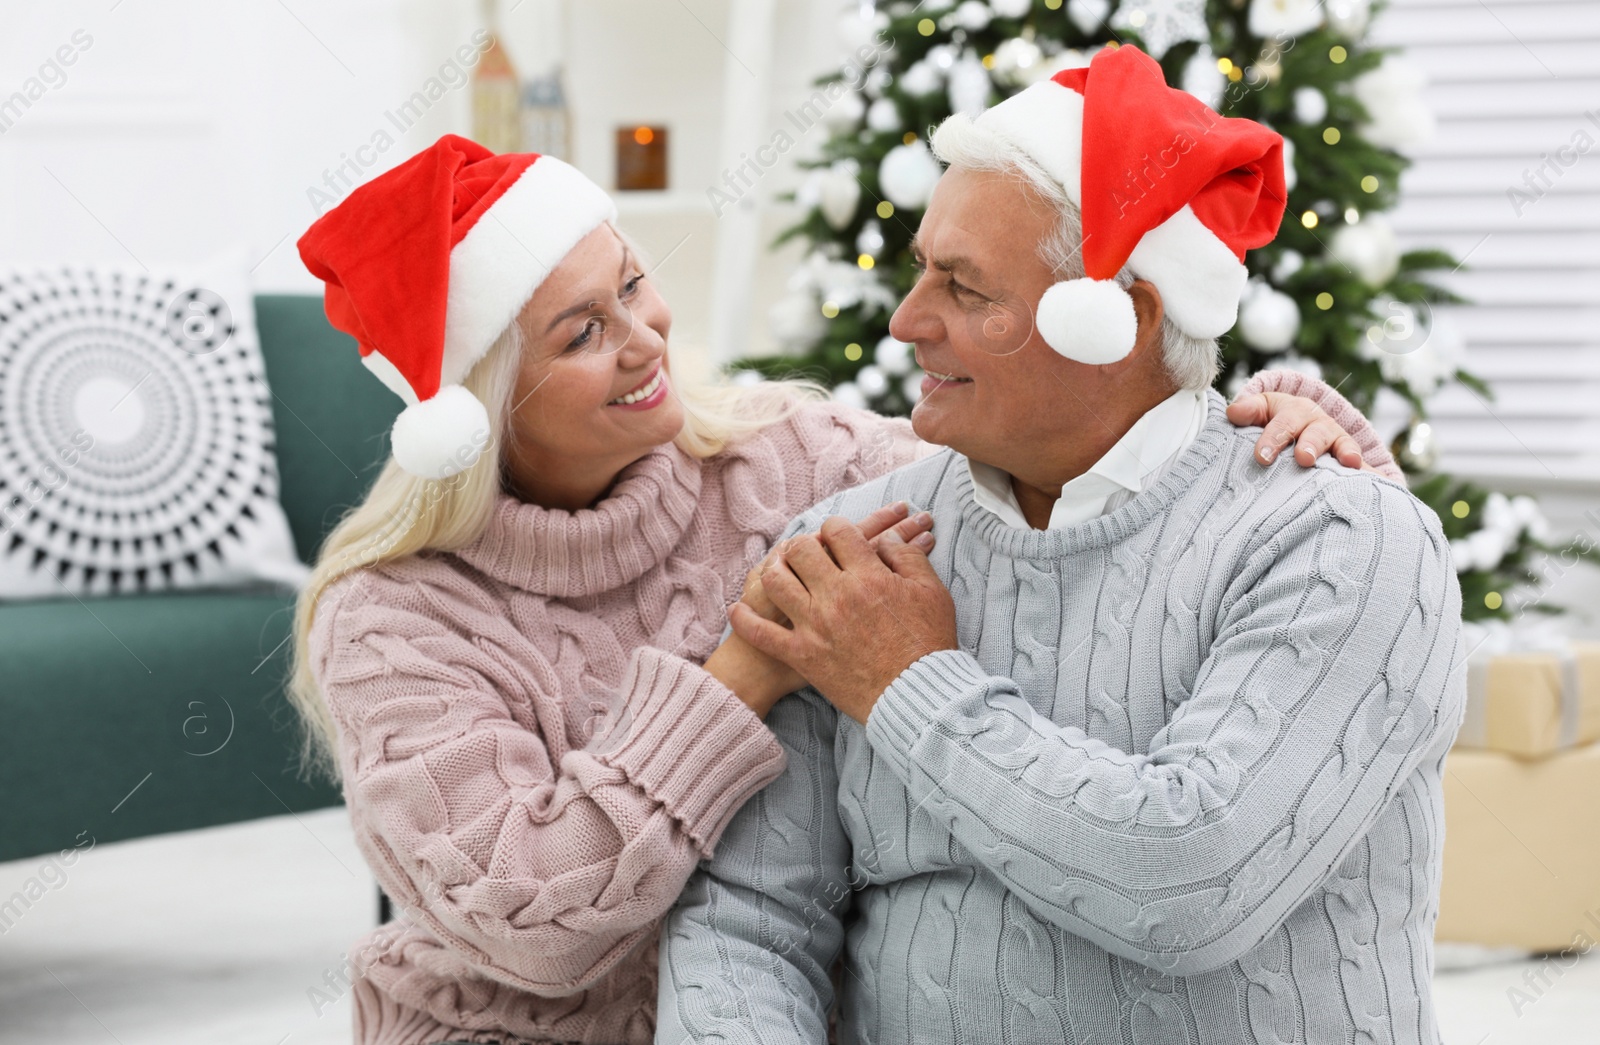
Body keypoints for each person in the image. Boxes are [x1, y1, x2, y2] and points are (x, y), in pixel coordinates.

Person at [288, 133, 1401, 1045]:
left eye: (632, 286)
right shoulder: (391, 618)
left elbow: (1045, 442)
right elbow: (533, 922)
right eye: (585, 332)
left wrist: (1288, 435)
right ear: (476, 405)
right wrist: (740, 670)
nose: (646, 341)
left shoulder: (798, 465)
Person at [658, 46, 1464, 1045]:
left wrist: (905, 680)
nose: (907, 322)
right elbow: (746, 923)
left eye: (964, 287)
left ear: (1114, 321)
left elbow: (1192, 880)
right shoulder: (851, 558)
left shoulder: (1339, 538)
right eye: (921, 271)